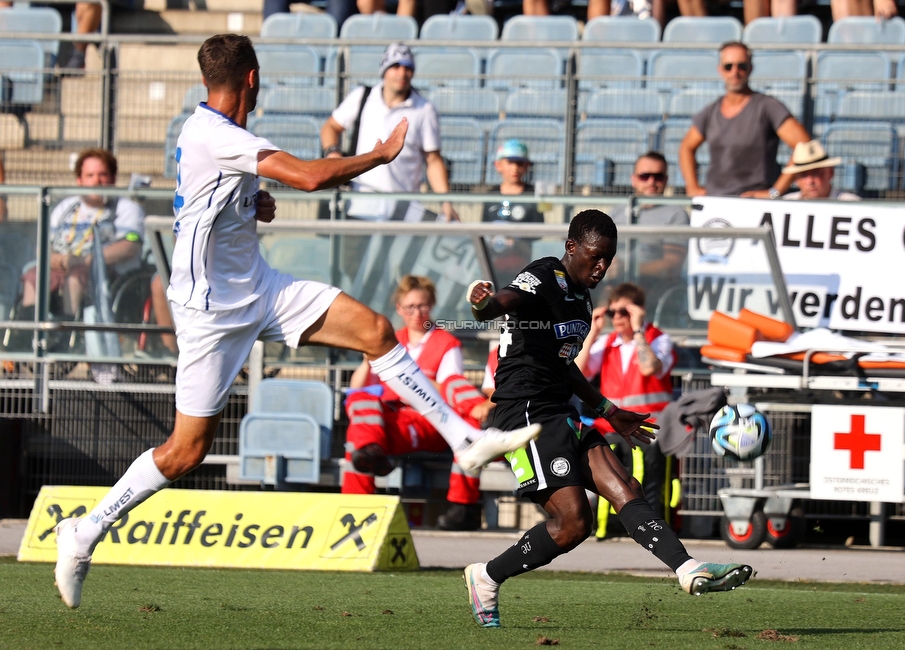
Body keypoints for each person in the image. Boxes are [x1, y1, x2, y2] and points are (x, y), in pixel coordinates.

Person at [52, 33, 540, 610]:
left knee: (376, 331)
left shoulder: (213, 134)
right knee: (185, 452)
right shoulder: (217, 133)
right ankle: (84, 532)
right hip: (210, 315)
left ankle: (465, 441)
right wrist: (379, 157)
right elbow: (309, 176)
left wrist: (250, 204)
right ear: (251, 79)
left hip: (258, 287)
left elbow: (208, 198)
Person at [461, 210, 753, 628]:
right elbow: (504, 302)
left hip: (560, 410)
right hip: (524, 413)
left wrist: (608, 410)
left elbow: (565, 365)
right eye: (595, 256)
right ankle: (486, 576)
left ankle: (687, 569)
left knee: (625, 486)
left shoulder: (581, 298)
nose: (601, 267)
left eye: (608, 259)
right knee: (573, 523)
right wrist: (485, 302)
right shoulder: (546, 274)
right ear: (571, 247)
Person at [342, 275, 488, 532]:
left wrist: (412, 381)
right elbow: (356, 389)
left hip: (430, 420)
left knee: (359, 437)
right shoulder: (386, 338)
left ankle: (361, 498)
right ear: (399, 309)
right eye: (410, 307)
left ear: (431, 306)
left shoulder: (446, 343)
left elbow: (450, 388)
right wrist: (367, 360)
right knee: (360, 415)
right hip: (392, 418)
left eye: (422, 306)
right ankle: (359, 503)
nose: (416, 313)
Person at [320, 42, 457, 223]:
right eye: (395, 66)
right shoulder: (363, 96)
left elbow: (433, 160)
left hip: (403, 211)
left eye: (407, 67)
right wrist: (333, 152)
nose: (402, 73)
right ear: (384, 70)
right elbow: (330, 127)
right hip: (360, 206)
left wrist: (445, 202)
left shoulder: (424, 109)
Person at [575, 282, 676, 522]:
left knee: (647, 481)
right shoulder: (608, 343)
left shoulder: (658, 339)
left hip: (649, 428)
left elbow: (649, 366)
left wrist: (639, 330)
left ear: (639, 312)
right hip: (613, 427)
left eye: (624, 312)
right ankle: (611, 527)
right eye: (612, 312)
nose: (617, 318)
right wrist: (592, 333)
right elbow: (578, 372)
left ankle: (652, 526)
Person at [21, 149, 145, 318]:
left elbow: (130, 246)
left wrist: (85, 260)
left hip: (106, 275)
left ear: (113, 179)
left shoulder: (127, 208)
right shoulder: (66, 207)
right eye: (90, 175)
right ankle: (27, 330)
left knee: (77, 275)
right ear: (79, 180)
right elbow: (43, 244)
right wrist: (54, 259)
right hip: (61, 267)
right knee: (35, 275)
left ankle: (67, 329)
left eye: (103, 175)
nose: (96, 181)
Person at [678, 41, 810, 199]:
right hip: (715, 202)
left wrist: (775, 191)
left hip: (754, 203)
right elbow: (686, 147)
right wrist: (692, 186)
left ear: (751, 68)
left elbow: (804, 145)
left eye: (742, 66)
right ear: (720, 70)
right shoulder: (711, 111)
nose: (735, 72)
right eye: (728, 66)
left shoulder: (767, 106)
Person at [609, 151, 690, 316]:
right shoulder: (616, 213)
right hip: (613, 286)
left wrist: (628, 269)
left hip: (654, 290)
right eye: (645, 176)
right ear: (633, 179)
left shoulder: (676, 215)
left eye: (658, 176)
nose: (651, 182)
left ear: (666, 180)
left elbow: (672, 266)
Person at [482, 139, 545, 284]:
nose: (515, 168)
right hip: (493, 265)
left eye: (520, 163)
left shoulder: (533, 195)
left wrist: (517, 240)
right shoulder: (490, 196)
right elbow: (483, 229)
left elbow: (539, 231)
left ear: (527, 166)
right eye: (510, 162)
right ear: (498, 165)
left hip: (522, 265)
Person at [780, 140, 860, 201]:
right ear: (796, 179)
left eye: (816, 173)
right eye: (803, 175)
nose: (810, 181)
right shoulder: (786, 204)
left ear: (830, 173)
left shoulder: (852, 205)